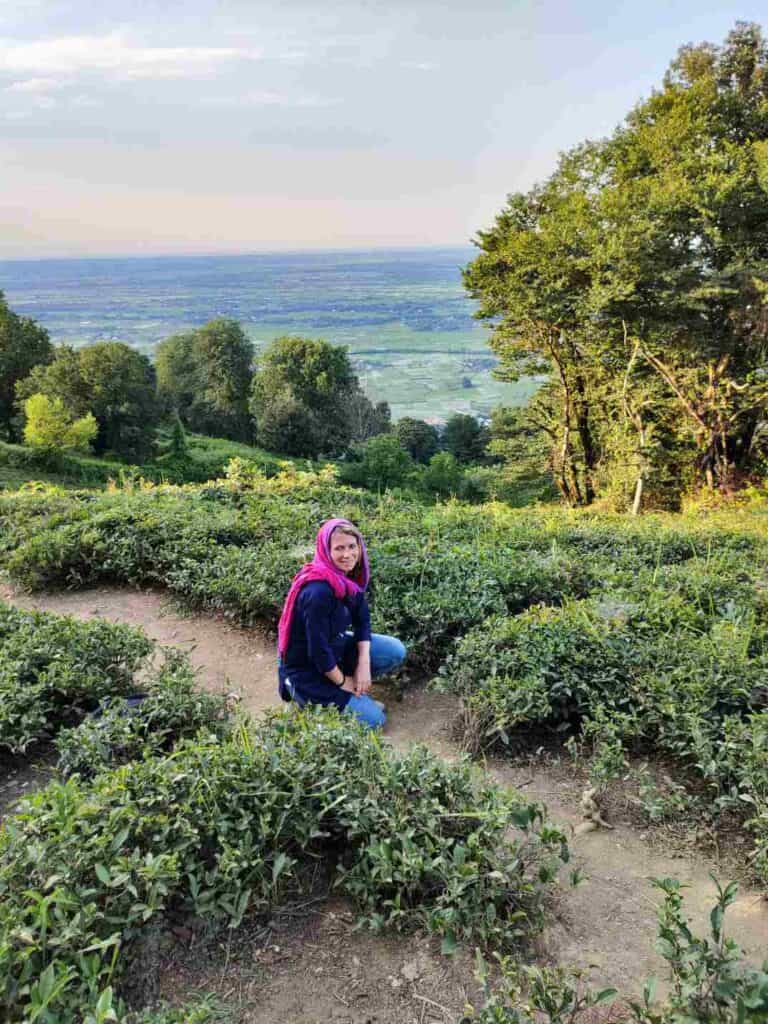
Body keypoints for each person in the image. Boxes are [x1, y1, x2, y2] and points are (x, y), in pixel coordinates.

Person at [277, 517, 405, 729]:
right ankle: (300, 697)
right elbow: (317, 651)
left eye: (352, 546)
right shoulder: (317, 591)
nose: (347, 555)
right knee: (375, 722)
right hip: (307, 668)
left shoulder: (346, 579)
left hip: (333, 647)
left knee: (395, 650)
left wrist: (363, 665)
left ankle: (350, 698)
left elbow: (362, 619)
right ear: (326, 551)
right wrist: (344, 682)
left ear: (360, 547)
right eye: (339, 548)